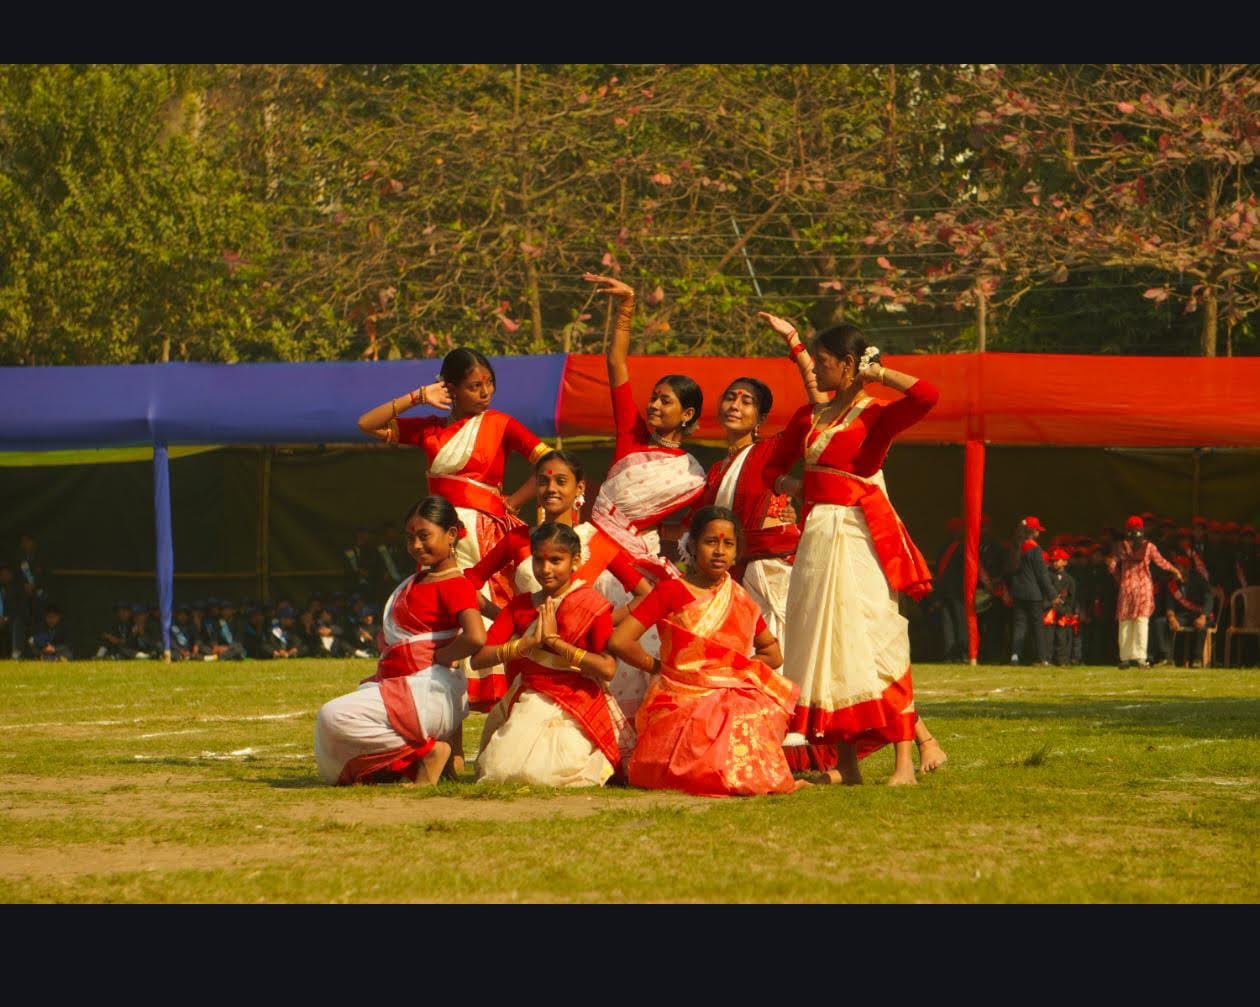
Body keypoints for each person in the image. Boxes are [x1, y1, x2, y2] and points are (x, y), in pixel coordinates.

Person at [761, 324, 937, 786]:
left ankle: (904, 764)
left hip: (859, 536)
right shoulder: (809, 416)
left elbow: (927, 396)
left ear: (848, 364)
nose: (817, 370)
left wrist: (880, 374)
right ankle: (846, 764)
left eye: (824, 362)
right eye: (815, 361)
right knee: (827, 643)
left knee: (878, 637)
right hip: (817, 536)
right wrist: (794, 485)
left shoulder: (876, 415)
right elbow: (771, 468)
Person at [608, 507, 803, 797]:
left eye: (728, 544)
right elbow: (620, 640)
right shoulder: (671, 591)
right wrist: (658, 667)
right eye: (711, 542)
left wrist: (732, 674)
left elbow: (773, 655)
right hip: (680, 696)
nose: (720, 551)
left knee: (742, 709)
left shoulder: (739, 598)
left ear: (736, 553)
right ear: (692, 545)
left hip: (729, 696)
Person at [357, 347, 550, 608]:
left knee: (489, 602)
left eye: (489, 383)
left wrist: (516, 500)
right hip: (438, 531)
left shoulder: (500, 424)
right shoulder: (430, 429)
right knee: (442, 603)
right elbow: (367, 424)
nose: (485, 392)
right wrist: (418, 396)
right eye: (474, 386)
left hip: (484, 533)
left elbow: (552, 462)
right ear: (451, 389)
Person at [465, 449, 651, 718]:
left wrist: (599, 621)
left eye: (561, 481)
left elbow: (646, 595)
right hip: (526, 658)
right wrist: (511, 619)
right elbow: (467, 585)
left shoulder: (596, 541)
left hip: (577, 664)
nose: (551, 488)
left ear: (580, 488)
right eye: (543, 481)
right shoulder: (518, 539)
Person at [314, 496, 486, 786]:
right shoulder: (423, 580)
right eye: (410, 538)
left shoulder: (455, 584)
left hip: (427, 693)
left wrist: (441, 657)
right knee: (333, 727)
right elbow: (486, 607)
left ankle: (428, 753)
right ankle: (421, 760)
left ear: (451, 534)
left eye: (424, 536)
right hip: (407, 689)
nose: (416, 545)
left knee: (333, 716)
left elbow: (476, 637)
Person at [471, 523, 630, 787]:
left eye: (556, 560)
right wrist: (526, 644)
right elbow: (479, 659)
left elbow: (607, 668)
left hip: (578, 700)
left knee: (553, 770)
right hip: (530, 696)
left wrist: (557, 644)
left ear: (575, 561)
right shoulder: (520, 606)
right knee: (501, 770)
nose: (545, 570)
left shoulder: (592, 605)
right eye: (539, 560)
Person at [1107, 515, 1182, 670]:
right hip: (1143, 589)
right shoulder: (1149, 547)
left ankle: (1125, 658)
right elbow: (1161, 562)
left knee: (1125, 622)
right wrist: (1175, 570)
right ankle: (1141, 658)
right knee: (1141, 622)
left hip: (1127, 588)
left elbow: (1112, 566)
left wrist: (1121, 579)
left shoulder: (1121, 547)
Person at [1008, 517, 1053, 666]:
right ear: (1033, 531)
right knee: (1037, 627)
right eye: (1038, 530)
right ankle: (1042, 658)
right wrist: (1052, 595)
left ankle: (1015, 656)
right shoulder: (1034, 548)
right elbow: (1042, 574)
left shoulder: (1015, 546)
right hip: (1033, 594)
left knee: (1019, 625)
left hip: (1018, 592)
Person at [1164, 553, 1215, 667]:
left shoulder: (1198, 579)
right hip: (1183, 615)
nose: (1174, 570)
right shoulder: (1172, 584)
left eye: (1177, 567)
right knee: (1162, 622)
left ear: (1186, 569)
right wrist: (1171, 618)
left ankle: (1197, 658)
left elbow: (1209, 598)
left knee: (1201, 625)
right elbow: (1169, 604)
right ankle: (1167, 657)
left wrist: (1203, 616)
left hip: (1200, 613)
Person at [1046, 548, 1078, 667]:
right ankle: (1047, 659)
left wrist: (1067, 610)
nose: (1054, 563)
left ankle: (1062, 660)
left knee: (1062, 637)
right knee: (1048, 637)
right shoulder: (1046, 577)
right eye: (1053, 561)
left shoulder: (1070, 580)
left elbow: (1071, 598)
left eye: (1057, 560)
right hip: (1048, 612)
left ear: (1065, 562)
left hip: (1063, 612)